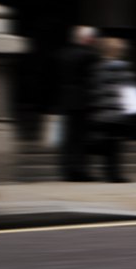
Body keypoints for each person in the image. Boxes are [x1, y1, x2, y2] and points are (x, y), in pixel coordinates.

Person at [89, 37, 136, 183]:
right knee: (116, 146)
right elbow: (131, 91)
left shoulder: (97, 69)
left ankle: (107, 171)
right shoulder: (124, 68)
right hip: (118, 113)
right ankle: (114, 174)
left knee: (107, 143)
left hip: (101, 112)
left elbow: (93, 89)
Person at [56, 26, 98, 181]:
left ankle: (67, 169)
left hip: (66, 100)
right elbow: (93, 80)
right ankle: (80, 170)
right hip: (84, 101)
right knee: (81, 138)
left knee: (68, 137)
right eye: (92, 38)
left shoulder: (63, 54)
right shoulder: (90, 56)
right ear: (87, 39)